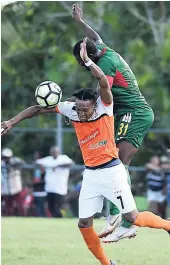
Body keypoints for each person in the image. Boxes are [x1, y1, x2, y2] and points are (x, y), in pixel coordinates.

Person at [1, 39, 170, 265]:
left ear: (95, 105)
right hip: (91, 175)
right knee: (83, 224)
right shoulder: (71, 110)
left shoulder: (105, 107)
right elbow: (39, 109)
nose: (81, 113)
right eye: (78, 109)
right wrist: (12, 121)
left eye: (85, 109)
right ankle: (107, 264)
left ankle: (168, 226)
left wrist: (89, 61)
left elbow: (102, 81)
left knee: (134, 218)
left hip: (112, 172)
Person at [72, 4, 155, 242]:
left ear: (89, 57)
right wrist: (80, 21)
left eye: (82, 61)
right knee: (116, 159)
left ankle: (125, 219)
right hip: (129, 112)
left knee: (117, 160)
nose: (81, 65)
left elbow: (102, 94)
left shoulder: (105, 65)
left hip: (134, 112)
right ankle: (123, 217)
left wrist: (79, 108)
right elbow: (95, 37)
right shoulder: (104, 50)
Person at [36, 146, 74, 218]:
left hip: (60, 189)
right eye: (52, 152)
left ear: (59, 152)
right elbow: (37, 162)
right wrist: (41, 166)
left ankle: (60, 219)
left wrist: (57, 166)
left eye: (55, 152)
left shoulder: (63, 158)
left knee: (57, 208)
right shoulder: (48, 159)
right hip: (49, 188)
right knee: (50, 207)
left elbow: (71, 164)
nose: (54, 153)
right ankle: (56, 220)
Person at [1, 148, 25, 216]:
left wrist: (14, 164)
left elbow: (22, 163)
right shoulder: (2, 163)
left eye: (7, 157)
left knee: (20, 204)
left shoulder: (15, 161)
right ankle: (10, 217)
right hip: (6, 188)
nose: (6, 159)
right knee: (8, 205)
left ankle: (23, 217)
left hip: (16, 187)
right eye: (4, 157)